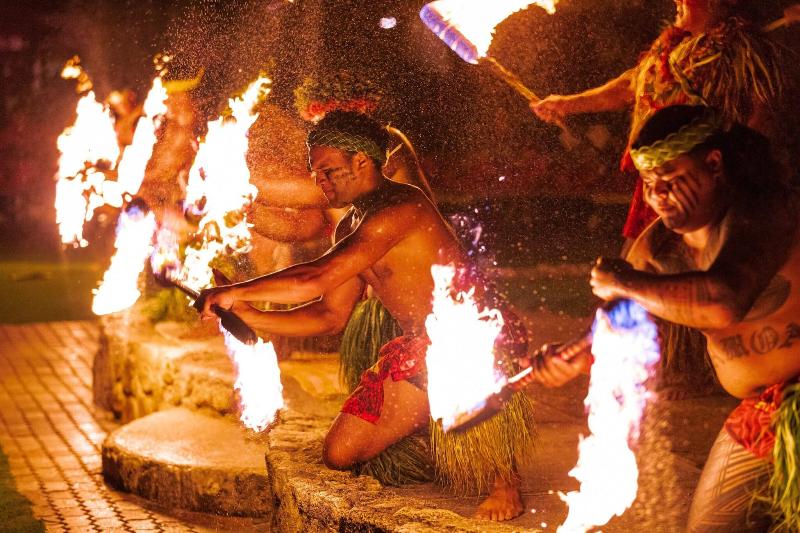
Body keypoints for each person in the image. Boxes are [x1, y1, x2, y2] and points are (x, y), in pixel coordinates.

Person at [197, 111, 535, 521]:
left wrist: (235, 292)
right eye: (315, 172)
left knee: (461, 368)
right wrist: (251, 316)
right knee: (341, 453)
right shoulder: (351, 225)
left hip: (471, 341)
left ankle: (504, 477)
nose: (320, 182)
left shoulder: (402, 206)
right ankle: (443, 444)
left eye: (328, 170)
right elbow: (328, 313)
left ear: (361, 161)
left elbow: (316, 278)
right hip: (419, 348)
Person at [528, 105, 800, 531]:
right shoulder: (659, 247)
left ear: (713, 165)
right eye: (649, 184)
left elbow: (724, 299)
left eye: (671, 180)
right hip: (761, 414)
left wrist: (626, 283)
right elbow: (618, 320)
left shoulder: (762, 213)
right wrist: (573, 356)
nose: (657, 196)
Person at [530, 0, 783, 242]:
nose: (676, 1)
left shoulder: (739, 50)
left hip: (698, 186)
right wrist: (566, 104)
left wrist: (741, 173)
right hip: (656, 180)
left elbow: (763, 111)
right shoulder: (670, 46)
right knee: (642, 260)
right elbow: (632, 84)